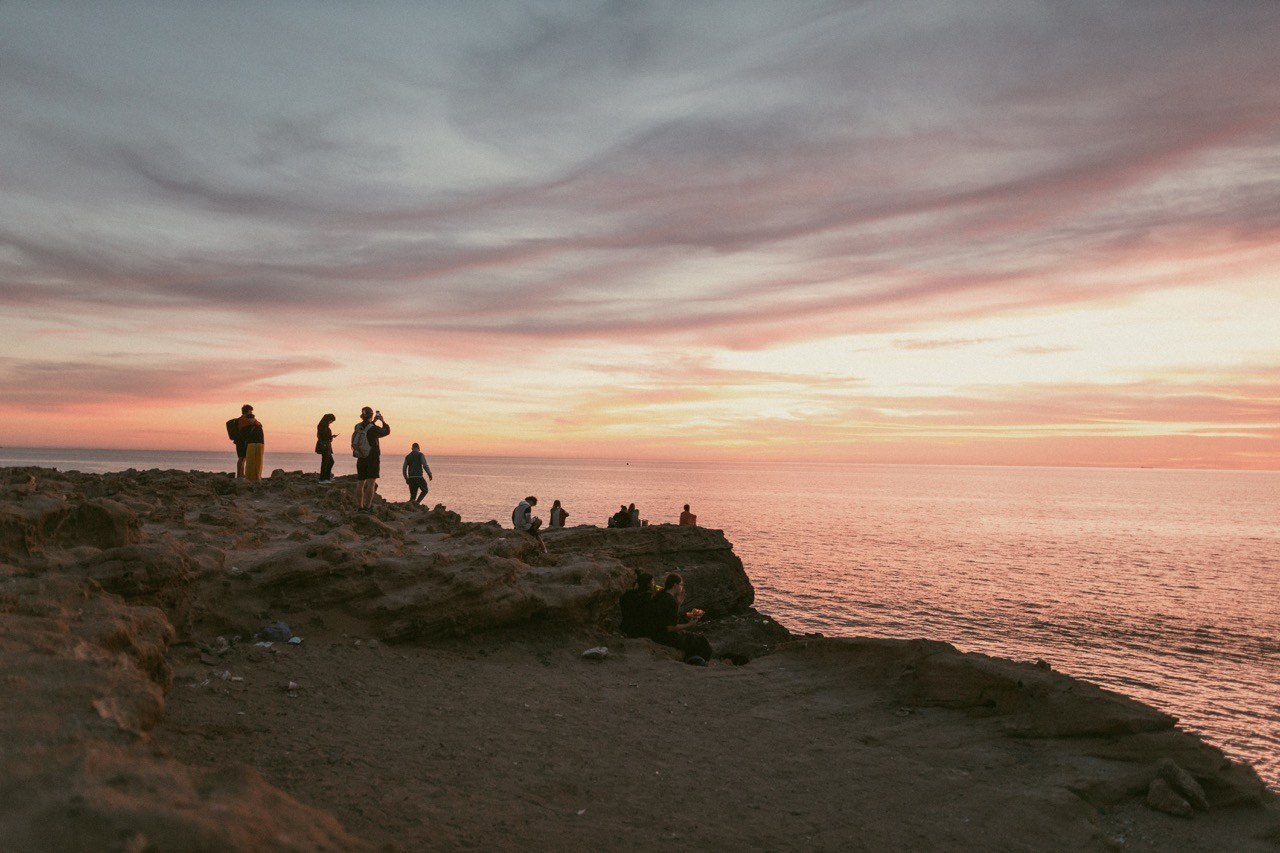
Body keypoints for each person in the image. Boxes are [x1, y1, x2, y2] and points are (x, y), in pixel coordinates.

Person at [648, 572, 713, 664]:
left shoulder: (661, 595)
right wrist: (689, 624)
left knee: (691, 638)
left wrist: (678, 603)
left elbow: (669, 618)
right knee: (702, 642)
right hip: (663, 636)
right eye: (681, 584)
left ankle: (692, 659)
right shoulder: (670, 601)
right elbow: (670, 627)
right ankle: (700, 663)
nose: (682, 587)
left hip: (656, 632)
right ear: (675, 585)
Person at [353, 406, 390, 511]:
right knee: (371, 483)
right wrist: (382, 421)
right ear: (371, 415)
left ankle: (359, 506)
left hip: (361, 456)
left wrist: (373, 422)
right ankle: (367, 506)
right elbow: (386, 431)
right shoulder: (373, 428)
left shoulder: (357, 426)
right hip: (372, 458)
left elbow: (366, 428)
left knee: (360, 483)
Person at [618, 571, 655, 638]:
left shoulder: (629, 594)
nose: (654, 584)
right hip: (641, 630)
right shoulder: (648, 597)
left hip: (627, 626)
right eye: (652, 582)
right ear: (648, 584)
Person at [236, 405, 265, 482]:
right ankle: (239, 474)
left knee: (243, 458)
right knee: (242, 458)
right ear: (248, 411)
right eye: (250, 411)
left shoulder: (241, 419)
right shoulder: (245, 420)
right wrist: (255, 420)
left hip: (242, 440)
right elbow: (258, 424)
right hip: (242, 441)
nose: (251, 412)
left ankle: (241, 474)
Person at [316, 413, 336, 482]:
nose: (331, 422)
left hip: (326, 445)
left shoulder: (324, 425)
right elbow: (323, 436)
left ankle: (326, 478)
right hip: (324, 446)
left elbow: (324, 435)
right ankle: (322, 479)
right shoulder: (322, 425)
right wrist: (330, 437)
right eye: (331, 421)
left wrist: (331, 436)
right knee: (326, 462)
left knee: (329, 462)